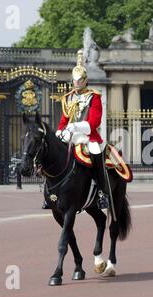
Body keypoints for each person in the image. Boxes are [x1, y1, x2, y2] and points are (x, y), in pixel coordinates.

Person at [55, 49, 109, 209]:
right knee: (52, 152)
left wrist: (76, 126)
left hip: (88, 136)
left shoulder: (94, 97)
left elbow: (94, 123)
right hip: (70, 135)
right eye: (74, 80)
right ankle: (50, 192)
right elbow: (64, 119)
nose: (76, 83)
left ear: (85, 80)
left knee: (96, 152)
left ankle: (101, 191)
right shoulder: (69, 97)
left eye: (79, 80)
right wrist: (60, 130)